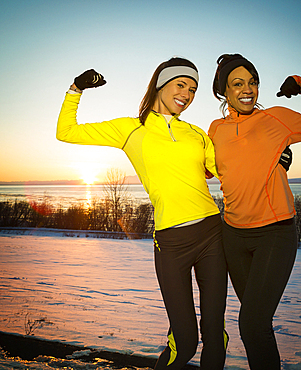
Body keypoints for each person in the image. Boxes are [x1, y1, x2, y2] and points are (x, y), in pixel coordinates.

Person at [56, 57, 229, 369]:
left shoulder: (196, 133)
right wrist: (76, 89)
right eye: (181, 85)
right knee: (185, 343)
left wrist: (274, 160)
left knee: (215, 334)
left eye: (193, 89)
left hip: (212, 235)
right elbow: (66, 132)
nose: (187, 94)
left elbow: (230, 174)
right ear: (161, 83)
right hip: (171, 243)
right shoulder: (130, 129)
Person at [208, 54, 301, 370]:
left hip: (274, 233)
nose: (248, 90)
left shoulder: (276, 118)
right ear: (224, 92)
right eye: (238, 83)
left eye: (253, 82)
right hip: (232, 235)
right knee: (256, 323)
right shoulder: (215, 129)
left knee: (252, 324)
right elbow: (208, 169)